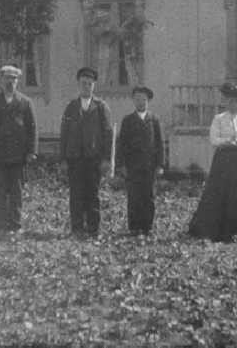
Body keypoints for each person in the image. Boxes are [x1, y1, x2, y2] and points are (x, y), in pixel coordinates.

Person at [187, 82, 237, 241]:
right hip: (224, 160)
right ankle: (220, 229)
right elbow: (214, 139)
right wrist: (227, 141)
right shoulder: (219, 119)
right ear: (225, 102)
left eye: (236, 101)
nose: (233, 104)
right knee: (221, 191)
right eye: (230, 101)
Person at [0, 65, 37, 233]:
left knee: (17, 194)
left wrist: (32, 151)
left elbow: (32, 129)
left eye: (14, 79)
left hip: (18, 157)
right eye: (7, 79)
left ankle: (16, 226)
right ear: (1, 80)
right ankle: (0, 227)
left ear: (18, 81)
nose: (10, 82)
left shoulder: (25, 103)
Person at [59, 67, 112, 238]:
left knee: (92, 193)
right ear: (79, 84)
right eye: (83, 83)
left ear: (94, 85)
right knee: (76, 194)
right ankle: (76, 228)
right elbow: (64, 134)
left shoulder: (101, 107)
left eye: (89, 83)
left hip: (93, 159)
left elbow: (108, 134)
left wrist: (106, 159)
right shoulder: (71, 107)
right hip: (75, 158)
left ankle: (93, 228)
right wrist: (63, 159)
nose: (86, 86)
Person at [116, 85, 165, 235]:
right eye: (137, 99)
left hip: (149, 166)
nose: (140, 102)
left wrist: (160, 165)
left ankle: (147, 227)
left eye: (143, 100)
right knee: (134, 197)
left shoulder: (154, 120)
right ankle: (134, 227)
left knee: (148, 196)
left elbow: (159, 143)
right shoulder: (128, 120)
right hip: (132, 166)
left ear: (148, 101)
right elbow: (121, 144)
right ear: (133, 101)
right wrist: (121, 164)